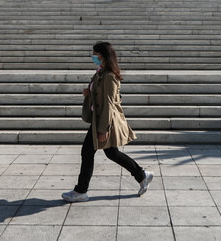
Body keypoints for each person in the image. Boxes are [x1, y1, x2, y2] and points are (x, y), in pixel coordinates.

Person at [62, 41, 154, 203]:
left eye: (95, 54)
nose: (93, 57)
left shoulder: (109, 76)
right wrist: (88, 92)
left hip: (104, 122)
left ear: (102, 56)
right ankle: (142, 175)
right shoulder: (101, 72)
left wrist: (103, 129)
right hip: (100, 121)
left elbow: (110, 104)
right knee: (112, 153)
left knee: (87, 153)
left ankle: (80, 191)